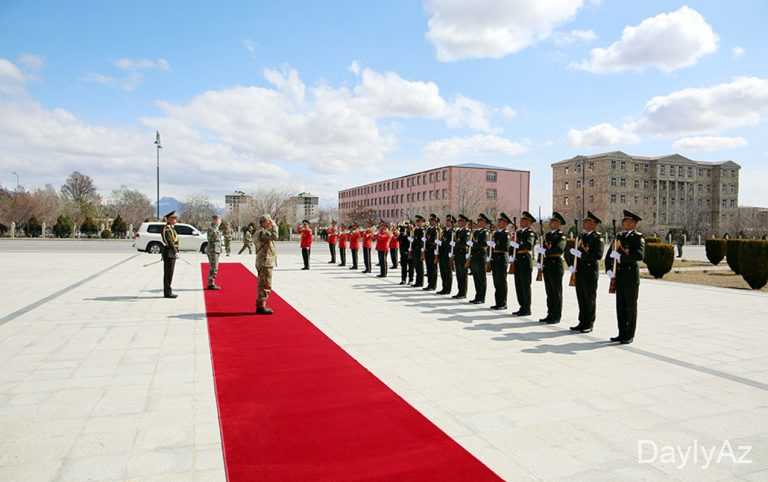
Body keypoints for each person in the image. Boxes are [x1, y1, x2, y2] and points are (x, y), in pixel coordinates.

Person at [605, 210, 645, 344]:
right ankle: (621, 333)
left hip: (630, 277)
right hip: (619, 276)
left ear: (634, 224)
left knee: (630, 306)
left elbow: (639, 256)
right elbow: (609, 255)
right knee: (620, 306)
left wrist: (621, 257)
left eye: (629, 221)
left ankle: (629, 334)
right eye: (625, 221)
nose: (626, 223)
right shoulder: (618, 236)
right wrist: (609, 270)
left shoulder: (638, 238)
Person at [569, 212, 605, 333]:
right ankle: (582, 321)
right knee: (581, 297)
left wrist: (581, 255)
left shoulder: (597, 237)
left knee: (589, 298)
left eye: (588, 222)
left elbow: (598, 255)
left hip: (590, 271)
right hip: (580, 271)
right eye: (585, 222)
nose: (585, 224)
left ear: (594, 224)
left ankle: (589, 323)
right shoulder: (582, 236)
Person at [539, 212, 567, 324]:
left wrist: (546, 251)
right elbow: (543, 249)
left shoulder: (561, 235)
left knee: (556, 292)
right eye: (551, 221)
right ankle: (550, 314)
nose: (551, 223)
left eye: (554, 221)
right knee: (549, 292)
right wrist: (540, 261)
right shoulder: (547, 235)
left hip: (556, 264)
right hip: (547, 264)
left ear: (559, 224)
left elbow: (559, 249)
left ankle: (556, 316)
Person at [511, 211, 538, 317]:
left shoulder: (530, 233)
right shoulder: (518, 232)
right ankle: (522, 306)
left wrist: (517, 245)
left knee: (525, 285)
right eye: (521, 220)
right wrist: (511, 253)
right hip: (517, 259)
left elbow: (528, 245)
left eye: (525, 220)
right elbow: (512, 246)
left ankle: (527, 308)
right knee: (518, 285)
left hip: (525, 260)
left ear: (529, 222)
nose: (522, 221)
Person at [254, 214, 279, 314]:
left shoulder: (261, 231)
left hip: (264, 261)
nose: (270, 223)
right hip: (265, 261)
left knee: (263, 283)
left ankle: (261, 305)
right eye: (269, 221)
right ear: (264, 222)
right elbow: (275, 236)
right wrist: (275, 226)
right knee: (265, 284)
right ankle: (261, 306)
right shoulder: (262, 232)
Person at [490, 213, 511, 310]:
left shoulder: (506, 234)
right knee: (496, 282)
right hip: (495, 259)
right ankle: (498, 302)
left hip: (502, 259)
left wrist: (495, 246)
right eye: (498, 221)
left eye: (501, 222)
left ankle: (503, 303)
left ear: (506, 223)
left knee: (501, 282)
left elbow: (506, 247)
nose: (499, 223)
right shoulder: (496, 233)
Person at [469, 214, 490, 304]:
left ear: (485, 223)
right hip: (474, 257)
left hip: (481, 256)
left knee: (481, 278)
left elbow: (484, 244)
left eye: (481, 221)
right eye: (478, 221)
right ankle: (477, 296)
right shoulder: (476, 232)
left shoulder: (486, 232)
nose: (479, 223)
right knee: (476, 278)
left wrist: (473, 244)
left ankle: (481, 297)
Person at [161, 211, 180, 298]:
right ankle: (167, 293)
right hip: (169, 252)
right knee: (168, 273)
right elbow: (170, 241)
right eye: (173, 218)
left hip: (171, 252)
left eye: (175, 218)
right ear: (168, 219)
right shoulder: (167, 229)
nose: (175, 219)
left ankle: (168, 291)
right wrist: (175, 251)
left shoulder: (171, 228)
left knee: (170, 273)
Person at [452, 215, 470, 299]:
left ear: (465, 222)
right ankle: (460, 291)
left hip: (463, 255)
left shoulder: (466, 232)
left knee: (463, 275)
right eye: (458, 221)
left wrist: (456, 244)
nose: (459, 222)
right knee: (458, 275)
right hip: (457, 255)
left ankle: (463, 293)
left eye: (461, 221)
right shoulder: (458, 231)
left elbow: (465, 243)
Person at [437, 215, 455, 295]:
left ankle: (448, 289)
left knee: (448, 272)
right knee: (443, 272)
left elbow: (450, 243)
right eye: (447, 221)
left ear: (452, 223)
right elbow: (441, 240)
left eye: (449, 221)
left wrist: (442, 243)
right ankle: (444, 287)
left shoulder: (453, 232)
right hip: (442, 254)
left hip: (448, 254)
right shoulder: (444, 231)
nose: (447, 222)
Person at [206, 214, 223, 290]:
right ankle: (211, 283)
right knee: (214, 267)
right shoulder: (212, 229)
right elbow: (213, 238)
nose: (220, 221)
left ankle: (211, 282)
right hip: (213, 250)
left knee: (214, 267)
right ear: (215, 220)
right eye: (219, 220)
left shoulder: (216, 228)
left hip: (216, 250)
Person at [423, 214, 440, 291]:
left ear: (436, 222)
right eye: (430, 220)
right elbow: (427, 238)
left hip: (433, 251)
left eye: (432, 221)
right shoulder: (428, 229)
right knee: (429, 268)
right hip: (427, 251)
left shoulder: (437, 230)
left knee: (433, 269)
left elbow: (435, 241)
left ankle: (433, 285)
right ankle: (429, 283)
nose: (431, 222)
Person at [411, 215, 426, 287]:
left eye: (419, 221)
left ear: (422, 222)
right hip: (415, 250)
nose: (417, 223)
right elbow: (415, 240)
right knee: (416, 266)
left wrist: (422, 252)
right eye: (416, 221)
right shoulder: (416, 230)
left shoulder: (423, 231)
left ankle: (420, 282)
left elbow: (423, 243)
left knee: (420, 267)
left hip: (420, 250)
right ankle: (417, 281)